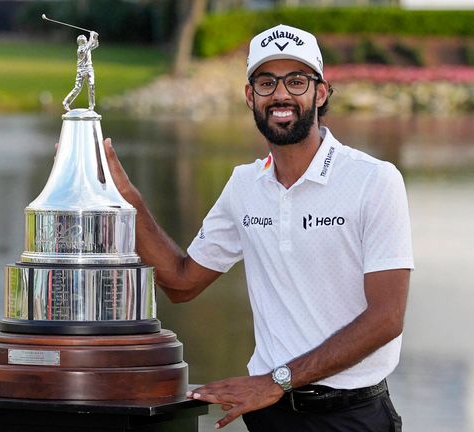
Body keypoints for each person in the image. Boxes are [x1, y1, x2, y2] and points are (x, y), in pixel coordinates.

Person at [104, 24, 413, 431]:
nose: (281, 94)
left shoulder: (374, 179)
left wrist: (276, 380)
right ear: (250, 97)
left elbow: (387, 318)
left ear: (320, 93)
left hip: (352, 416)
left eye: (296, 81)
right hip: (271, 416)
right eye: (266, 83)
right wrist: (126, 196)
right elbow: (182, 283)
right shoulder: (244, 186)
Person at [63, 31, 99, 111]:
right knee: (77, 88)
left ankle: (92, 105)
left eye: (85, 40)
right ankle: (66, 102)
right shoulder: (81, 49)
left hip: (89, 69)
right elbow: (90, 44)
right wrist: (92, 35)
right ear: (80, 42)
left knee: (92, 86)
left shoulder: (87, 47)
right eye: (84, 40)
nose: (85, 41)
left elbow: (95, 45)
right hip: (81, 71)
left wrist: (95, 37)